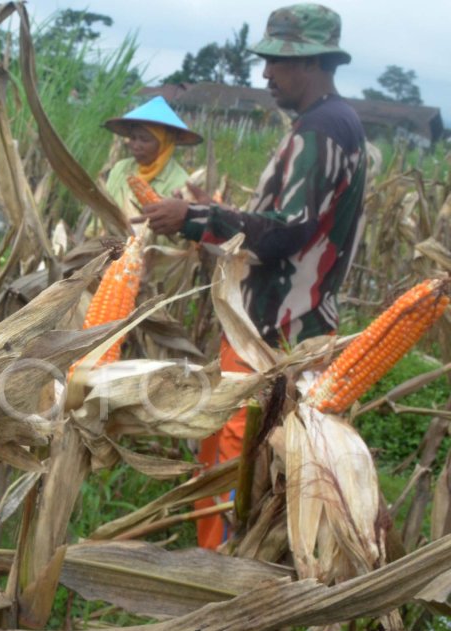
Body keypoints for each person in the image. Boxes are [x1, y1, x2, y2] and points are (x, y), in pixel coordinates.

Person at [139, 3, 367, 550]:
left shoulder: (320, 132)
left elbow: (286, 233)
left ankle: (226, 573)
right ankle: (215, 558)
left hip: (276, 328)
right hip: (270, 321)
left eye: (277, 63)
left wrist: (195, 220)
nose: (265, 75)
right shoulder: (334, 125)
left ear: (311, 63)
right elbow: (292, 225)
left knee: (240, 460)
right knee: (221, 446)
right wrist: (215, 210)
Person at [101, 96, 203, 218]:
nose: (135, 145)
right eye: (133, 138)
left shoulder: (180, 183)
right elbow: (101, 212)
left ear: (165, 144)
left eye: (144, 139)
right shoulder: (120, 168)